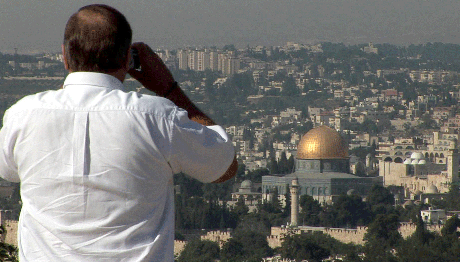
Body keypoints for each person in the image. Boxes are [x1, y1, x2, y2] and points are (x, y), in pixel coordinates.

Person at [0, 4, 237, 262]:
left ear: (64, 57)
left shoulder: (22, 116)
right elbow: (224, 167)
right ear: (127, 59)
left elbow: (7, 171)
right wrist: (169, 89)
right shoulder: (157, 118)